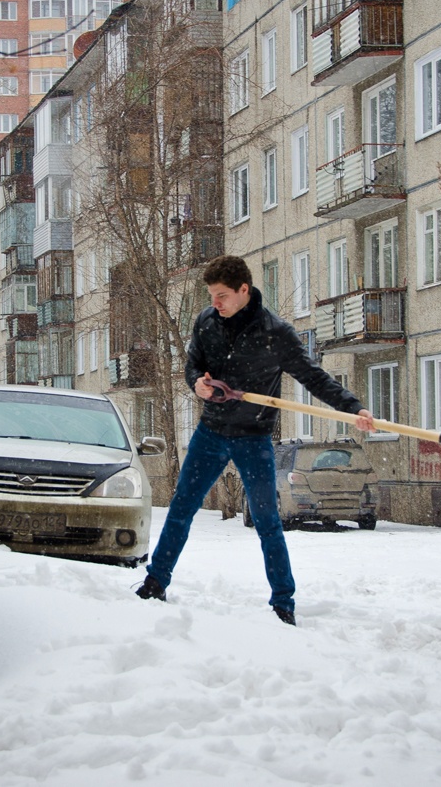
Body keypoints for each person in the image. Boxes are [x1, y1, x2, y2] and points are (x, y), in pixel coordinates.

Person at [136, 255, 375, 625]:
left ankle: (283, 603)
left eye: (222, 295)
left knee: (267, 521)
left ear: (244, 290)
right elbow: (193, 366)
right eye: (212, 295)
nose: (215, 303)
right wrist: (197, 383)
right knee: (182, 507)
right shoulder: (206, 322)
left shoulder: (275, 333)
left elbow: (313, 376)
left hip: (253, 438)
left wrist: (353, 407)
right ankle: (156, 582)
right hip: (211, 433)